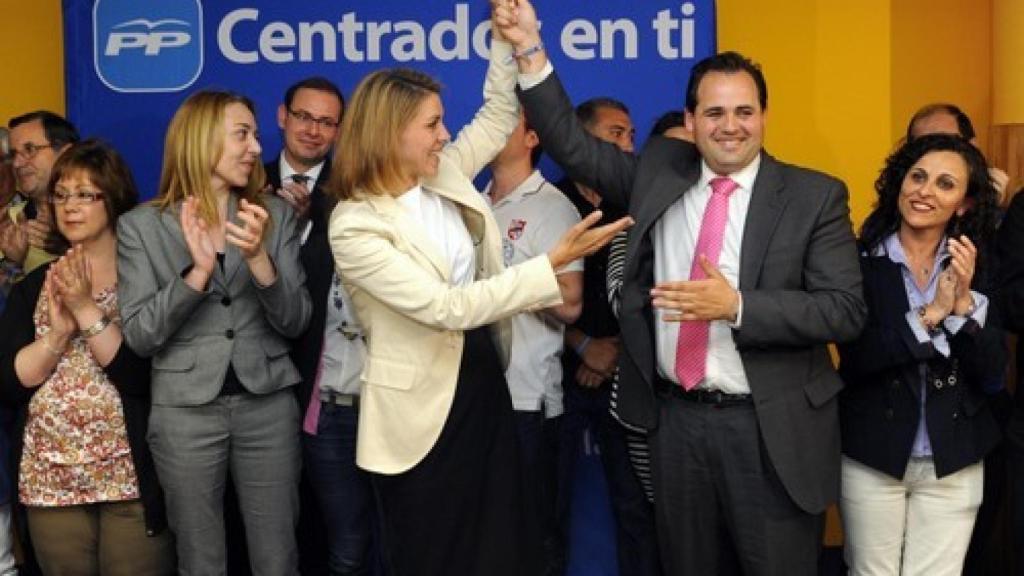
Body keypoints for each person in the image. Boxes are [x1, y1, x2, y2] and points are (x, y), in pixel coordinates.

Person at [495, 2, 867, 573]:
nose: (731, 125)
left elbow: (843, 311)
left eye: (745, 111)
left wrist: (737, 306)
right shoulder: (657, 174)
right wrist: (527, 46)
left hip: (770, 430)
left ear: (766, 116)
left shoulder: (814, 196)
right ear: (691, 123)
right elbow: (569, 142)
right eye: (714, 112)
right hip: (677, 426)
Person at [326, 17, 631, 575]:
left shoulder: (442, 177)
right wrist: (551, 264)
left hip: (484, 382)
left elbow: (496, 114)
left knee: (500, 546)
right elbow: (445, 307)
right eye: (432, 124)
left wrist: (503, 34)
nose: (445, 135)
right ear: (392, 133)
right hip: (419, 412)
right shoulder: (354, 224)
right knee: (434, 551)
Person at [117, 90, 312, 576]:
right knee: (200, 561)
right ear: (202, 140)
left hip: (267, 405)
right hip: (184, 411)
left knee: (278, 559)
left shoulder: (275, 216)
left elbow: (296, 321)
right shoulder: (141, 226)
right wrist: (197, 274)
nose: (254, 147)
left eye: (254, 135)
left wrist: (258, 261)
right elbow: (141, 336)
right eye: (241, 134)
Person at [0, 139, 175, 575]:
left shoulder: (145, 279)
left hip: (129, 477)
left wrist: (83, 308)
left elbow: (140, 377)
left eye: (84, 194)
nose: (69, 207)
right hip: (50, 479)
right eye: (60, 196)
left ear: (112, 199)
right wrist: (57, 336)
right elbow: (9, 382)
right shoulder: (33, 285)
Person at [838, 133, 1004, 575]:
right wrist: (931, 314)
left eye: (945, 184)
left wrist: (964, 306)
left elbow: (992, 375)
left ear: (965, 204)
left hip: (954, 462)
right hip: (873, 456)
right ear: (899, 184)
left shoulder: (981, 266)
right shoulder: (857, 260)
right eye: (918, 177)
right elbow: (857, 359)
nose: (925, 191)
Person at [265, 75, 378, 576]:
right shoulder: (244, 179)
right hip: (260, 384)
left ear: (340, 131)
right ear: (282, 116)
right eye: (304, 117)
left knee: (352, 534)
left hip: (332, 384)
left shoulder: (355, 190)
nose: (313, 131)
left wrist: (309, 225)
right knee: (279, 529)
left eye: (327, 122)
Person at [553, 97, 660, 576]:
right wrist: (581, 344)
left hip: (626, 375)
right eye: (616, 134)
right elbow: (519, 294)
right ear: (581, 140)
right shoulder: (547, 204)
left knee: (636, 509)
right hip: (554, 378)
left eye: (632, 136)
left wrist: (613, 352)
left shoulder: (640, 205)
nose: (628, 145)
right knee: (546, 506)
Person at [485, 110, 583, 574]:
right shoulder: (472, 202)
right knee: (487, 534)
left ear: (532, 136)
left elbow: (569, 302)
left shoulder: (552, 206)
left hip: (528, 403)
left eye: (506, 120)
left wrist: (508, 282)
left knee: (536, 535)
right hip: (472, 397)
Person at [0, 112, 78, 279]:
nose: (17, 163)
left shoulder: (103, 213)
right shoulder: (11, 222)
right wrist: (14, 262)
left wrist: (70, 247)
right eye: (13, 154)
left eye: (30, 149)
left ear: (65, 152)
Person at [905, 103, 1010, 205]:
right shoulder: (906, 193)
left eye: (945, 143)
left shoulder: (994, 187)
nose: (934, 153)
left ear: (972, 145)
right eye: (923, 146)